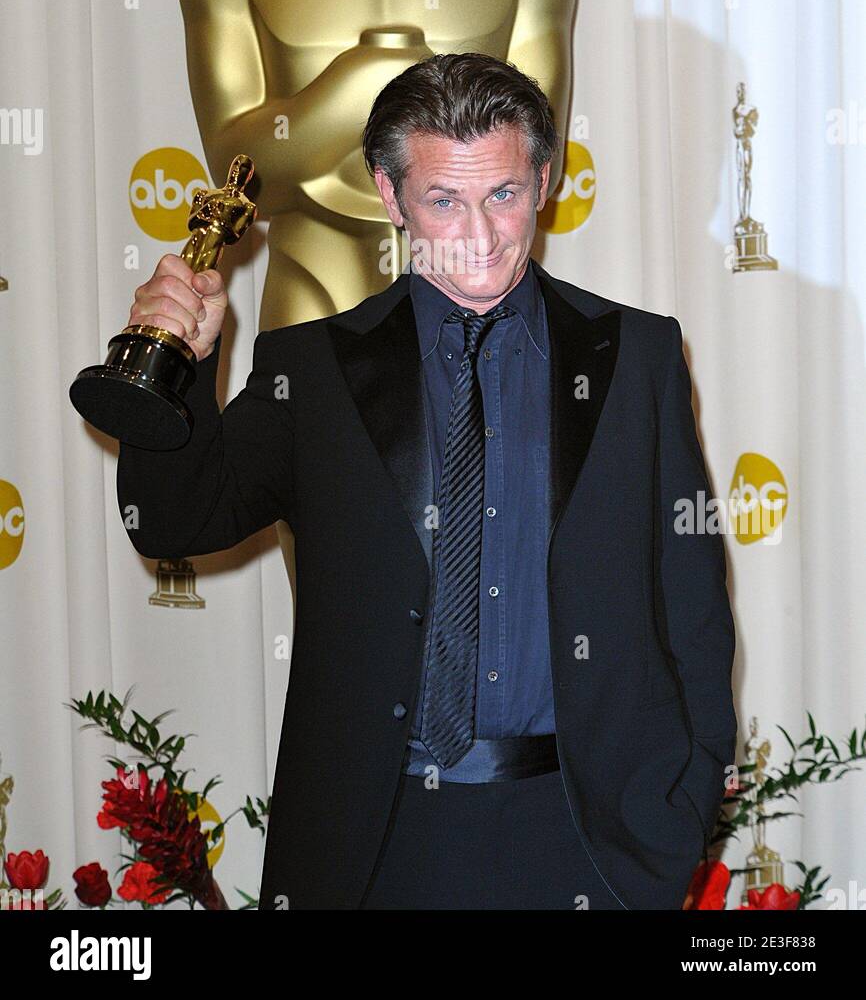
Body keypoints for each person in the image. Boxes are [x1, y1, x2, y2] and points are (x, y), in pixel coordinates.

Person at [116, 52, 737, 911]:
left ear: (545, 179)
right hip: (376, 849)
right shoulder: (315, 369)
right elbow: (174, 522)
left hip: (591, 842)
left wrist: (682, 807)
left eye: (504, 195)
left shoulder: (638, 355)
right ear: (390, 194)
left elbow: (694, 608)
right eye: (444, 200)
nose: (479, 238)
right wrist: (179, 365)